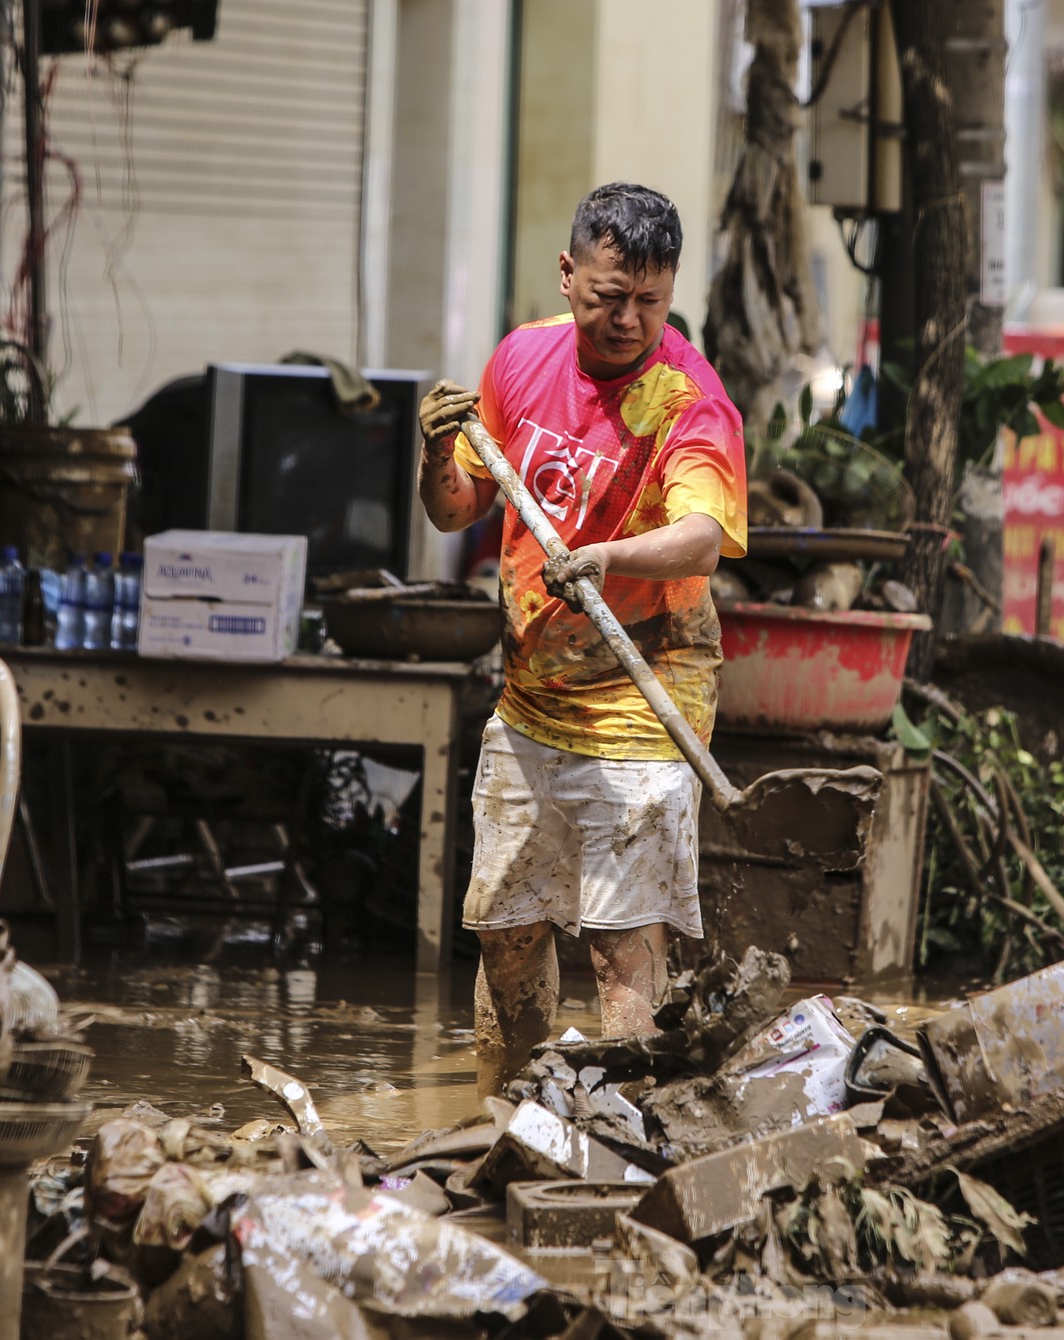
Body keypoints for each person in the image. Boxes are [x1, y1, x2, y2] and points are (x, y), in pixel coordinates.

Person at [416, 182, 748, 1097]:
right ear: (569, 276)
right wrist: (437, 451)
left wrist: (606, 556)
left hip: (648, 695)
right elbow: (456, 512)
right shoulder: (520, 362)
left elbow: (702, 540)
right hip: (531, 700)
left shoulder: (690, 399)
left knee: (617, 950)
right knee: (506, 933)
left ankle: (620, 1145)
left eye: (650, 300)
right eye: (609, 296)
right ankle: (503, 1127)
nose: (629, 319)